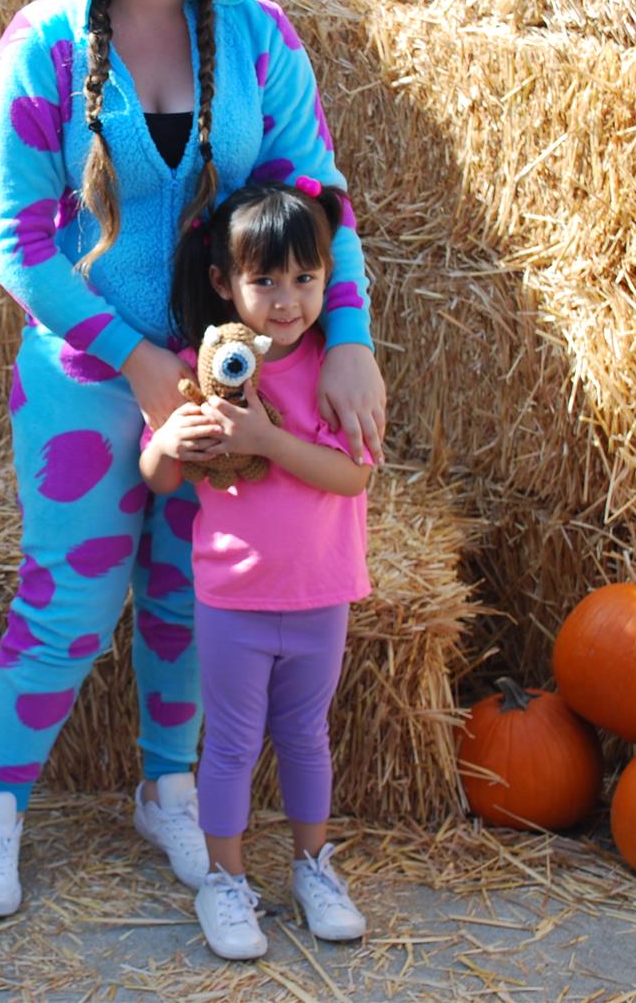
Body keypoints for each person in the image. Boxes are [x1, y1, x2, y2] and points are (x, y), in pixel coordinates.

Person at [0, 0, 386, 918]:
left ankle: (169, 789)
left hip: (226, 379)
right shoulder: (44, 45)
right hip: (91, 378)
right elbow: (15, 240)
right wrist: (140, 368)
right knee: (69, 603)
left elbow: (315, 191)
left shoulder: (257, 37)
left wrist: (347, 333)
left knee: (195, 596)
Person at [140, 180, 372, 960]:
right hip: (234, 594)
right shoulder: (205, 369)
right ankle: (225, 880)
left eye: (306, 279)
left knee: (307, 735)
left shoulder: (337, 373)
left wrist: (269, 440)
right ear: (223, 283)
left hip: (320, 591)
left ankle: (314, 866)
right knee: (233, 743)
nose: (287, 300)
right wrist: (174, 442)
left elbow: (353, 477)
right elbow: (159, 477)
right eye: (265, 280)